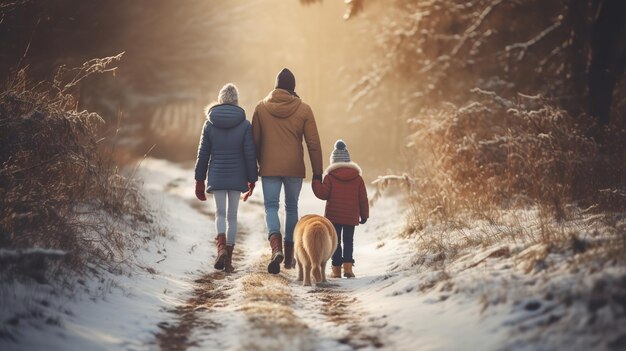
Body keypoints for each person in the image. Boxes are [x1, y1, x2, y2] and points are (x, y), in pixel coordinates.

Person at [252, 68, 323, 274]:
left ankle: (276, 249)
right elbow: (313, 143)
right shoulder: (304, 109)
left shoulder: (261, 108)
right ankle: (290, 256)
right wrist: (317, 172)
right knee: (291, 207)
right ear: (293, 88)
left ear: (276, 86)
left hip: (269, 167)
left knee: (271, 207)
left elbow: (254, 141)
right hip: (294, 167)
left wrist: (258, 163)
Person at [194, 83, 258, 273]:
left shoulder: (209, 124)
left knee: (220, 214)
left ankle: (220, 249)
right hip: (237, 176)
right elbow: (249, 153)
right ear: (236, 101)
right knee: (232, 216)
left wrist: (199, 180)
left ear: (220, 100)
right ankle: (228, 258)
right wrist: (252, 179)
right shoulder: (245, 124)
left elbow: (203, 154)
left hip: (217, 175)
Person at [312, 140, 369, 278]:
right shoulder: (357, 178)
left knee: (335, 242)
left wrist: (316, 180)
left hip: (334, 216)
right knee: (349, 240)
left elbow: (323, 194)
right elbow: (363, 198)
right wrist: (364, 215)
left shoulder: (330, 177)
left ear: (333, 161)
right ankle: (348, 269)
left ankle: (336, 270)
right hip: (351, 216)